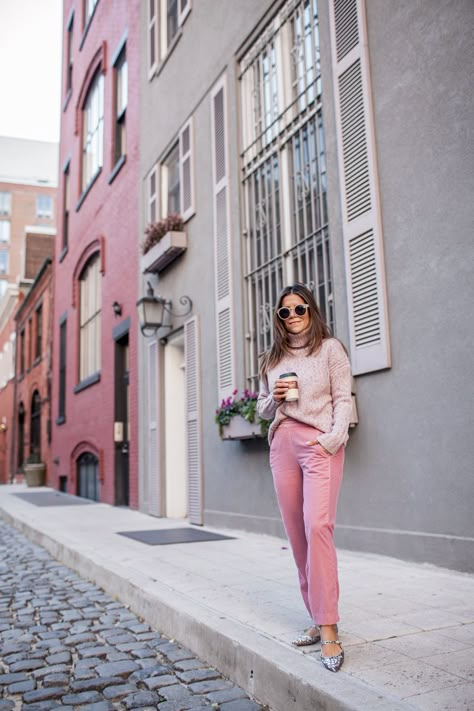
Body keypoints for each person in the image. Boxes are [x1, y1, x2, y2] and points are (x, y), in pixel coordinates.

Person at [257, 283, 352, 672]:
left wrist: (332, 439)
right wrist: (275, 398)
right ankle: (315, 617)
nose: (293, 316)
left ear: (311, 310)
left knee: (318, 527)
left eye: (299, 309)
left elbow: (343, 398)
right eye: (285, 312)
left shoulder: (331, 349)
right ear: (279, 319)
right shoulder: (270, 358)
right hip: (282, 446)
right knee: (297, 536)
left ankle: (329, 629)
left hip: (318, 445)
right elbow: (263, 410)